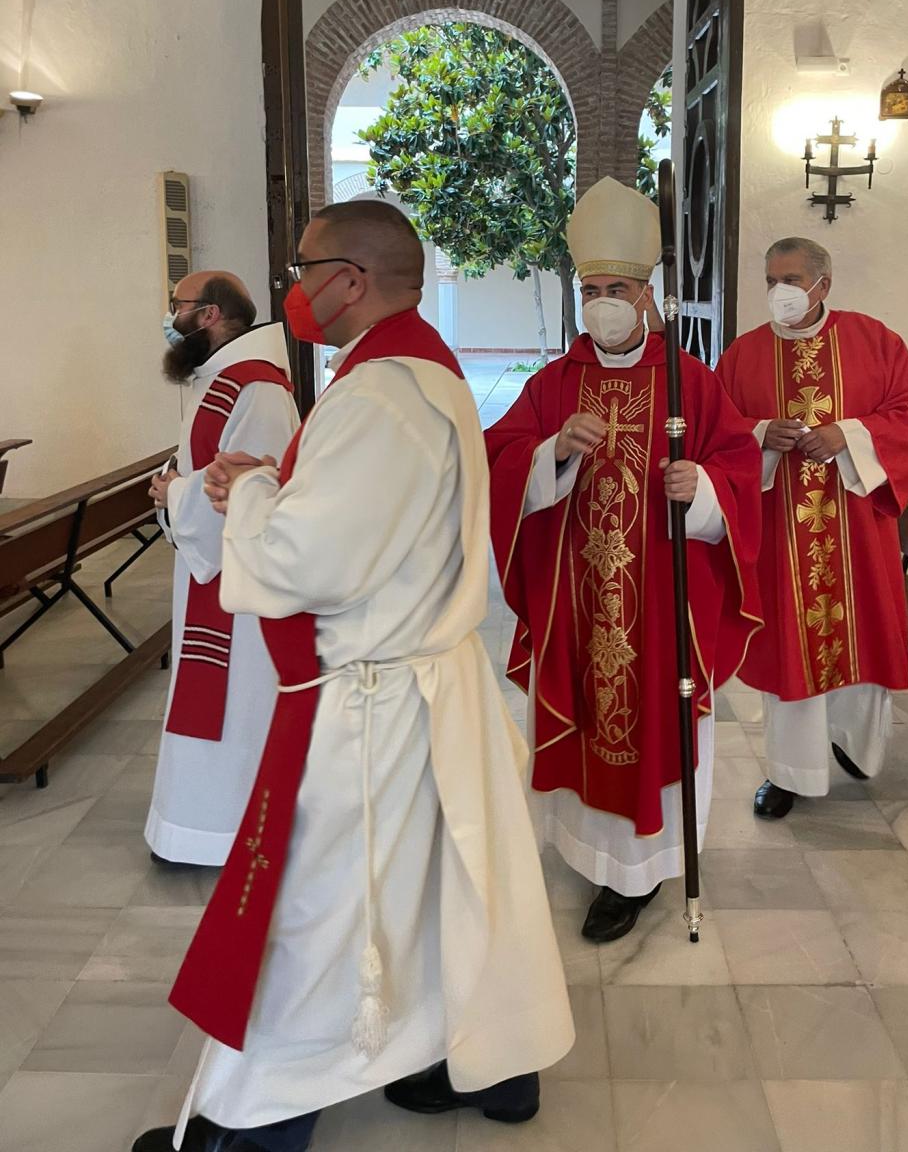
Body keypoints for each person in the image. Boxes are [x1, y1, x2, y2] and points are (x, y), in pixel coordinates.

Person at [134, 201, 573, 1152]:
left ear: (353, 279)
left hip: (372, 700)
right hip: (420, 678)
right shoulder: (423, 370)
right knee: (436, 890)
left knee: (316, 918)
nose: (292, 287)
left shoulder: (380, 396)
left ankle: (256, 1129)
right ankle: (476, 1067)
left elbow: (301, 564)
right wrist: (277, 480)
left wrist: (246, 487)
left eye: (302, 267)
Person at [485, 176, 762, 944]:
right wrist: (550, 455)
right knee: (587, 717)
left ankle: (637, 873)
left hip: (662, 608)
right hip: (579, 602)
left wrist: (702, 488)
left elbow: (740, 471)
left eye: (616, 287)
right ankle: (585, 849)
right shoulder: (556, 382)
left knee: (652, 730)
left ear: (647, 297)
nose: (601, 301)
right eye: (590, 287)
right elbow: (499, 456)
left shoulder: (691, 382)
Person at [716, 237, 908, 818]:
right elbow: (720, 428)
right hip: (783, 532)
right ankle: (794, 772)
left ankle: (858, 745)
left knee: (863, 631)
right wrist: (761, 434)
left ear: (822, 284)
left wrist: (849, 435)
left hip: (856, 529)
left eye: (790, 279)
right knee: (790, 647)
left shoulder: (874, 341)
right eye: (770, 280)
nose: (779, 291)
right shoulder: (743, 354)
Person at [146, 272, 299, 866]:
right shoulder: (222, 379)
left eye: (177, 307)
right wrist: (178, 488)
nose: (170, 318)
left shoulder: (256, 388)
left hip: (238, 583)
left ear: (209, 315)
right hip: (209, 575)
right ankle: (196, 825)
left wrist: (176, 492)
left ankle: (230, 832)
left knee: (239, 705)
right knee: (211, 697)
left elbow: (258, 490)